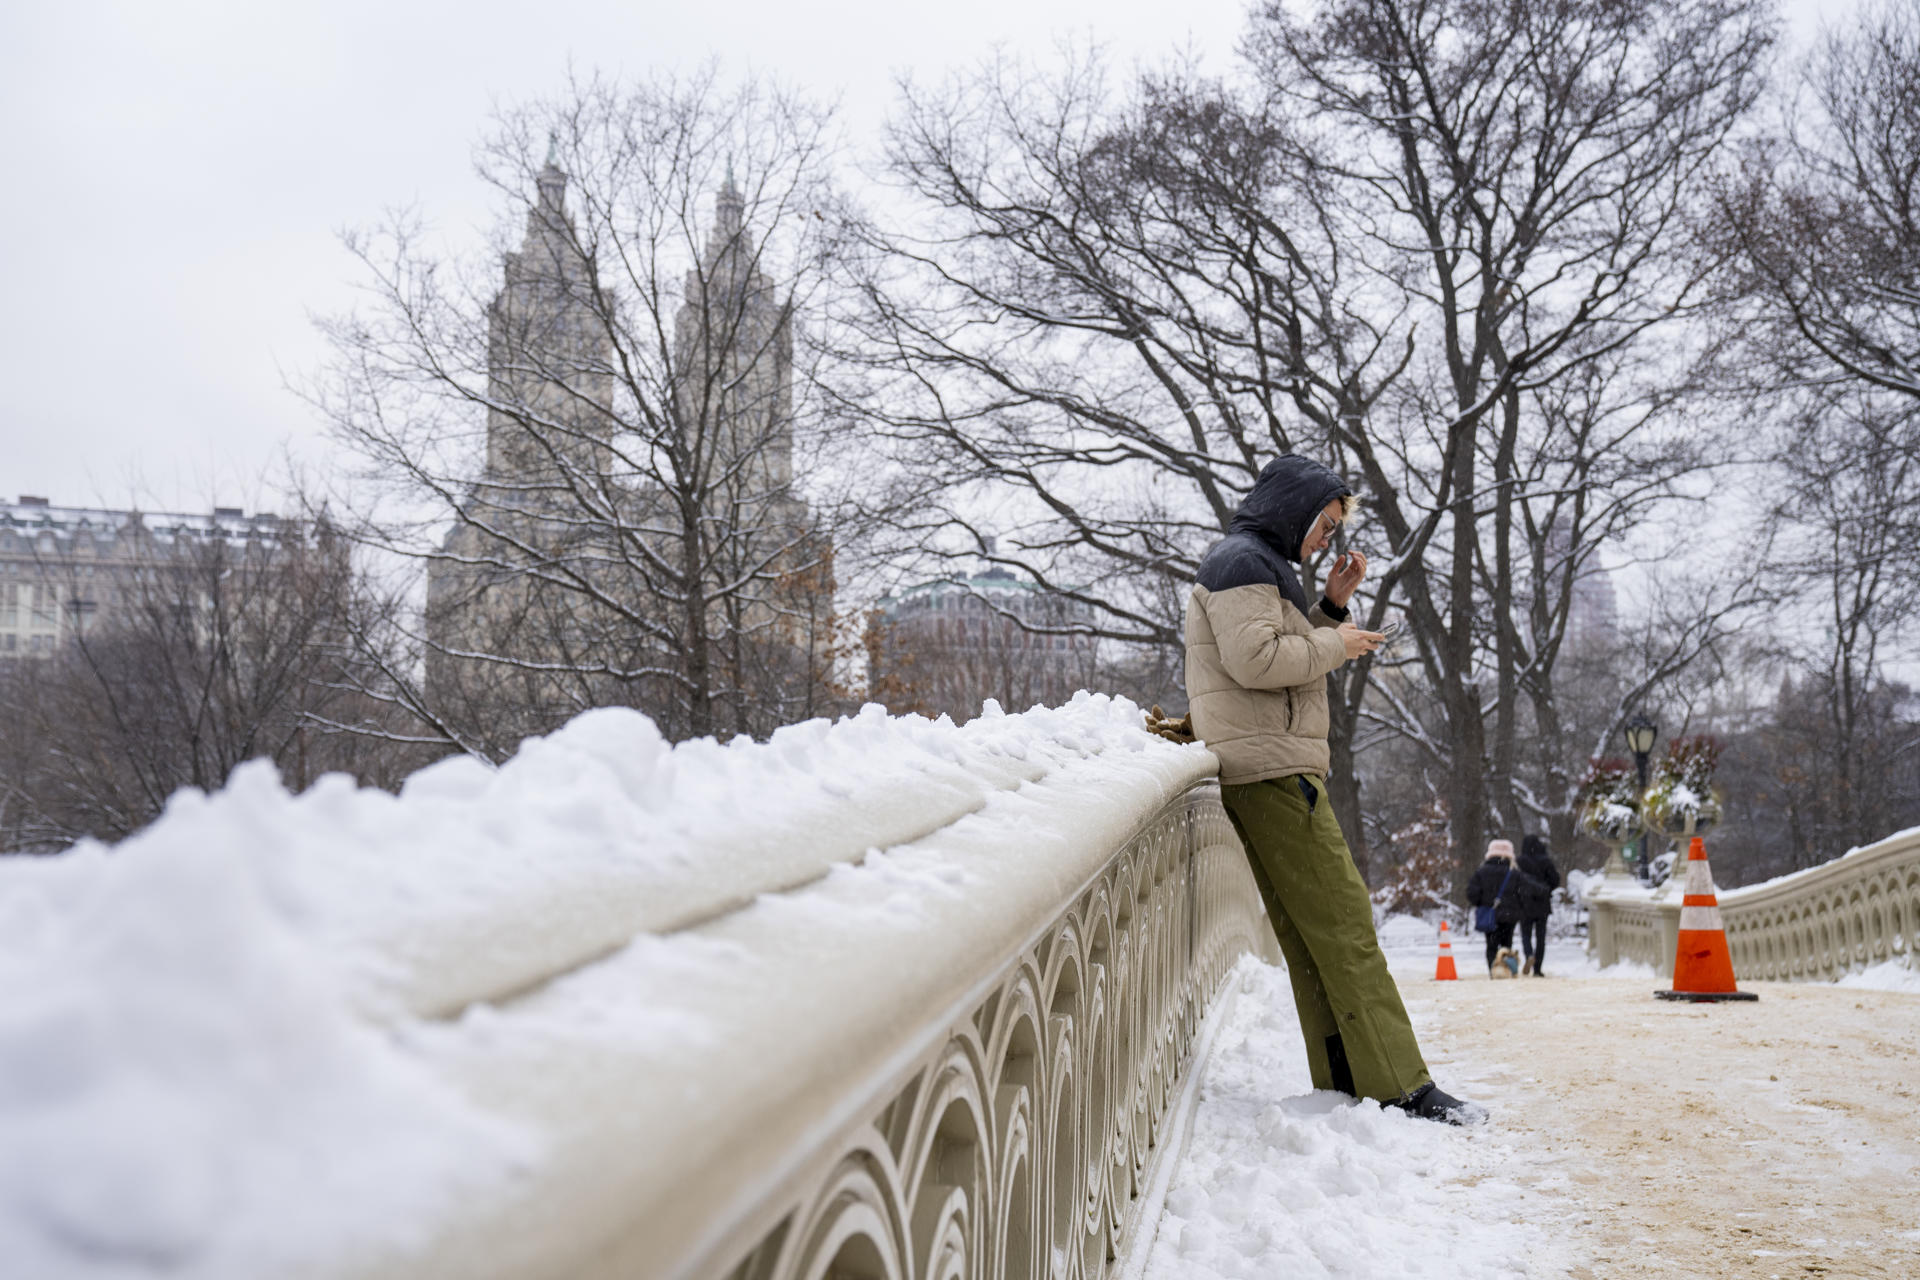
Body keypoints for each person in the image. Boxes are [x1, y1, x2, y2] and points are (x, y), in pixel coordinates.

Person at [1185, 454, 1485, 1126]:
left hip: (1266, 767)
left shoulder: (1254, 563)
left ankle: (1348, 1075)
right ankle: (1403, 1086)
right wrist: (1338, 644)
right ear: (1294, 510)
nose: (1325, 539)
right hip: (1274, 771)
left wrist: (1330, 608)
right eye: (1322, 524)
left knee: (1312, 934)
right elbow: (1257, 662)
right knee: (1346, 926)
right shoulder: (1243, 563)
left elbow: (1277, 652)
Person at [1467, 840, 1544, 975]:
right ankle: (1506, 969)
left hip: (1490, 914)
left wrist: (1482, 903)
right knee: (1507, 943)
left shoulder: (1481, 872)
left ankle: (1493, 970)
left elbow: (1472, 893)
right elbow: (1527, 891)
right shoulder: (1514, 873)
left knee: (1491, 945)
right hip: (1510, 915)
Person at [1516, 834, 1561, 976]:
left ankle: (1529, 954)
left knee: (1525, 934)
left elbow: (1514, 881)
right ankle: (1537, 969)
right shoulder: (1546, 861)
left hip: (1525, 903)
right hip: (1542, 903)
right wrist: (1545, 890)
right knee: (1541, 937)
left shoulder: (1520, 861)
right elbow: (1555, 880)